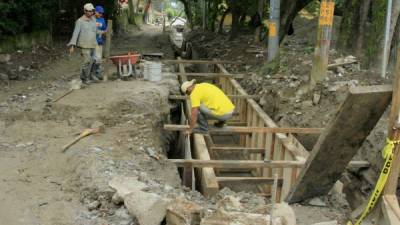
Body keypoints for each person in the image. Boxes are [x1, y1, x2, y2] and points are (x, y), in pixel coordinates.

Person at [67, 3, 97, 84]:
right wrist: (72, 45)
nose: (90, 13)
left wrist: (103, 32)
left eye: (92, 11)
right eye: (89, 11)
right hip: (84, 44)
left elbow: (95, 30)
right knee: (87, 61)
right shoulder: (80, 21)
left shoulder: (93, 19)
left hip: (93, 43)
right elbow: (75, 34)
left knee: (94, 60)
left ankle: (90, 76)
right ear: (84, 11)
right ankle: (85, 78)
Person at [93, 5, 107, 80]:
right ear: (95, 12)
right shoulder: (91, 19)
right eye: (99, 13)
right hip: (92, 42)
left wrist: (108, 32)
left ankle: (97, 74)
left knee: (99, 59)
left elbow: (105, 30)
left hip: (100, 42)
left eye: (102, 13)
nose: (101, 14)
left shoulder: (102, 20)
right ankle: (93, 74)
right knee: (96, 59)